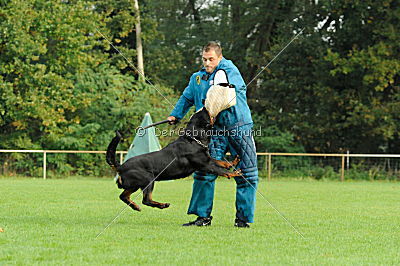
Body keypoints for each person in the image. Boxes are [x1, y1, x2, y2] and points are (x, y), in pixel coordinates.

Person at [167, 41, 258, 228]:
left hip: (237, 126)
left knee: (247, 173)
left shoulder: (230, 71)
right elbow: (187, 97)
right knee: (203, 172)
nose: (207, 63)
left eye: (211, 59)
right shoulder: (197, 78)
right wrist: (176, 115)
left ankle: (242, 220)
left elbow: (233, 90)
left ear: (219, 57)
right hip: (213, 132)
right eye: (204, 59)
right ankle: (202, 217)